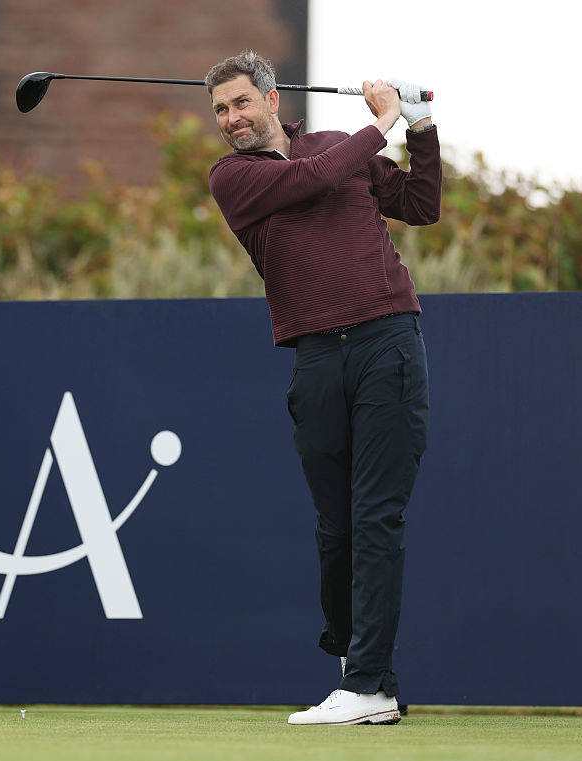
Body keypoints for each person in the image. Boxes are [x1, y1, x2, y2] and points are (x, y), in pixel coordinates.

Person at [205, 51, 440, 726]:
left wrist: (420, 127)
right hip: (315, 359)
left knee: (375, 518)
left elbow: (421, 203)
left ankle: (368, 683)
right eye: (221, 109)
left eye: (242, 102)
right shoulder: (234, 179)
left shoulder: (339, 145)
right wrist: (386, 121)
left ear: (273, 100)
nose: (232, 119)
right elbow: (315, 179)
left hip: (386, 343)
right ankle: (365, 674)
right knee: (335, 530)